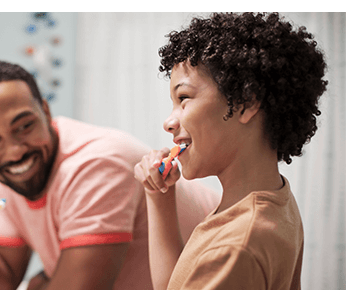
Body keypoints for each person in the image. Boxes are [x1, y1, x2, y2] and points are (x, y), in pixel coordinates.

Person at [0, 61, 220, 290]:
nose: (13, 152)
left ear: (45, 113)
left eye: (24, 126)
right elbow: (4, 278)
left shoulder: (97, 163)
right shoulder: (6, 183)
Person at [134, 12, 327, 290]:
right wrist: (158, 195)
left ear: (245, 103)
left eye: (184, 98)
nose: (169, 122)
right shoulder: (276, 201)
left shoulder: (235, 249)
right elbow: (175, 284)